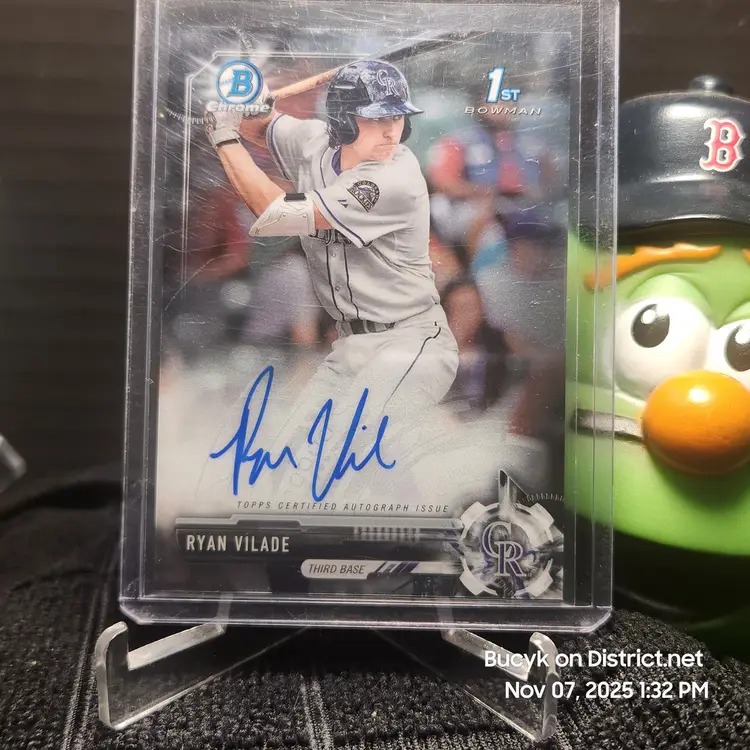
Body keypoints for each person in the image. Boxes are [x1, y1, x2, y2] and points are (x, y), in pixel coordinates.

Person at [203, 59, 459, 504]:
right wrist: (243, 105)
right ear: (342, 122)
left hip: (410, 344)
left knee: (334, 459)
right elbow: (262, 126)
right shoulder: (314, 142)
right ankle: (424, 526)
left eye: (396, 117)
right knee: (287, 464)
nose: (390, 131)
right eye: (375, 118)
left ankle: (426, 524)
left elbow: (275, 213)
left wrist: (223, 135)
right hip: (352, 346)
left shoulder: (392, 178)